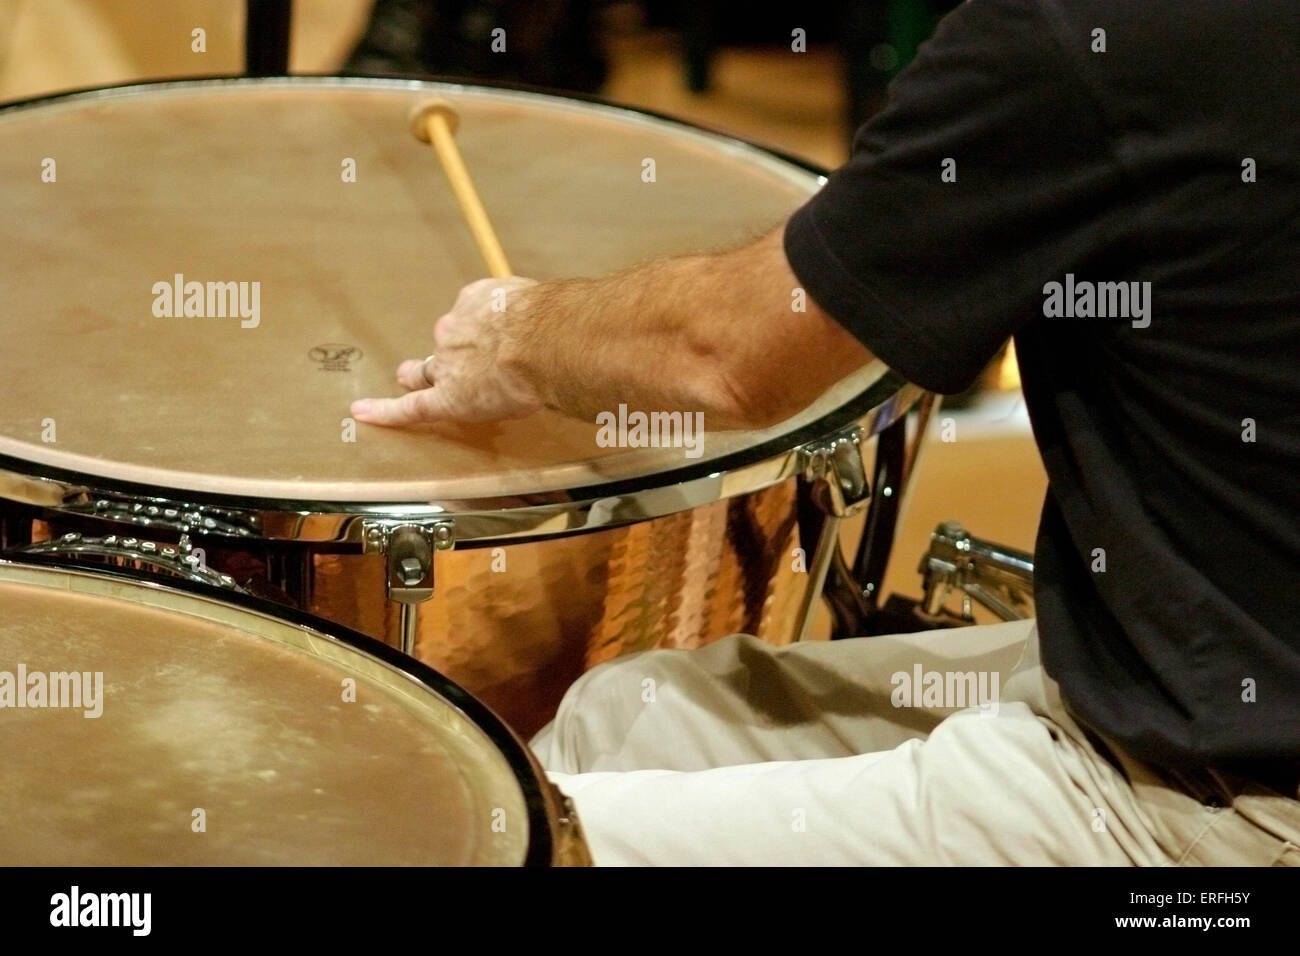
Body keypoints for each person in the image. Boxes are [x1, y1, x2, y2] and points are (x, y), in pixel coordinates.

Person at [351, 0, 1300, 865]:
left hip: (1217, 807)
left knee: (492, 836)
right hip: (1201, 688)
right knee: (621, 716)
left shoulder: (1087, 38)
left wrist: (517, 336)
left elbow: (729, 352)